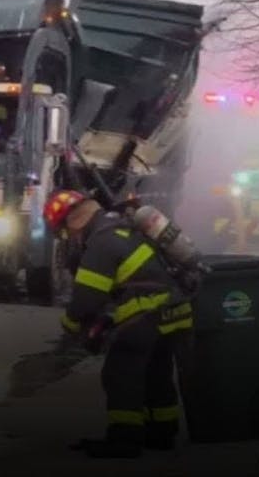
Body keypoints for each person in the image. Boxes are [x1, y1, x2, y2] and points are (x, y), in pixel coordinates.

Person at [43, 189, 194, 459]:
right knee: (156, 373)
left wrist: (70, 326)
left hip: (147, 313)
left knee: (119, 374)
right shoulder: (122, 227)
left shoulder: (99, 243)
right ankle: (162, 433)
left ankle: (124, 439)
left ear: (73, 222)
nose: (70, 240)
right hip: (177, 311)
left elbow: (86, 301)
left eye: (65, 234)